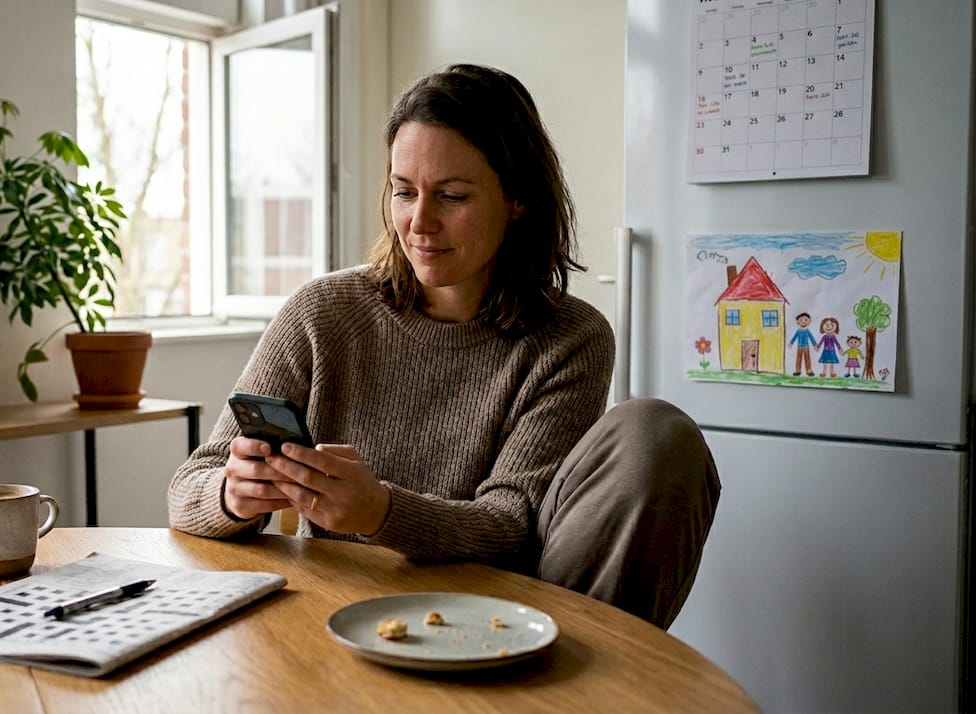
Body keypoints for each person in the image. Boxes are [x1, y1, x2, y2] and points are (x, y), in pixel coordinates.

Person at [168, 64, 720, 629]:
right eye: (404, 192)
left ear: (518, 198)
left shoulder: (569, 337)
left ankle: (565, 685)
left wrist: (382, 511)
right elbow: (188, 488)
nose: (419, 223)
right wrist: (234, 495)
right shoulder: (322, 311)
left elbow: (513, 526)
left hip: (499, 614)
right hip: (345, 611)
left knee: (655, 432)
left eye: (451, 196)